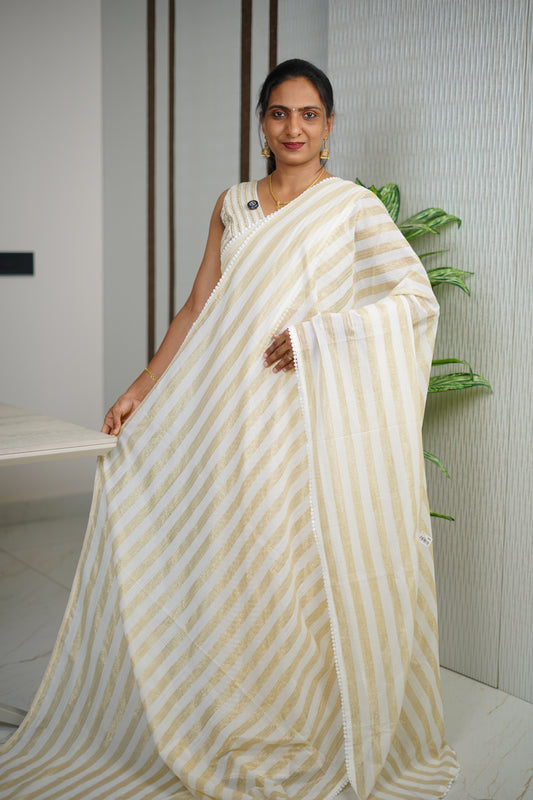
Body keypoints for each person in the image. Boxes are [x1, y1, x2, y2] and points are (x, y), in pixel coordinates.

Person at [0, 60, 458, 799]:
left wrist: (318, 335)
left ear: (330, 126)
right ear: (261, 123)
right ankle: (222, 711)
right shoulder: (233, 204)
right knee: (232, 559)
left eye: (309, 114)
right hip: (225, 414)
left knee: (287, 565)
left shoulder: (352, 209)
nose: (294, 128)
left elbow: (413, 300)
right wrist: (142, 387)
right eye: (279, 113)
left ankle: (307, 719)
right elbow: (197, 310)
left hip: (301, 423)